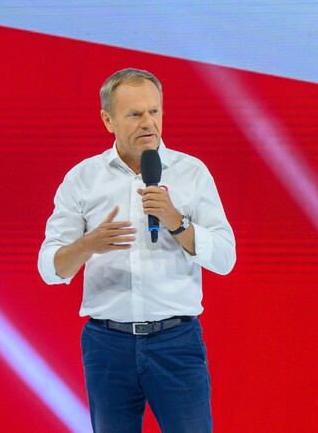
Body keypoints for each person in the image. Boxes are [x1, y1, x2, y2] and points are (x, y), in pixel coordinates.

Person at [38, 68, 236, 432]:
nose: (148, 123)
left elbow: (225, 258)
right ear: (108, 120)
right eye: (134, 114)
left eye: (154, 111)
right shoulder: (83, 178)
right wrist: (88, 244)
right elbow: (50, 269)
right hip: (107, 346)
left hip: (176, 343)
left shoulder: (192, 172)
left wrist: (177, 222)